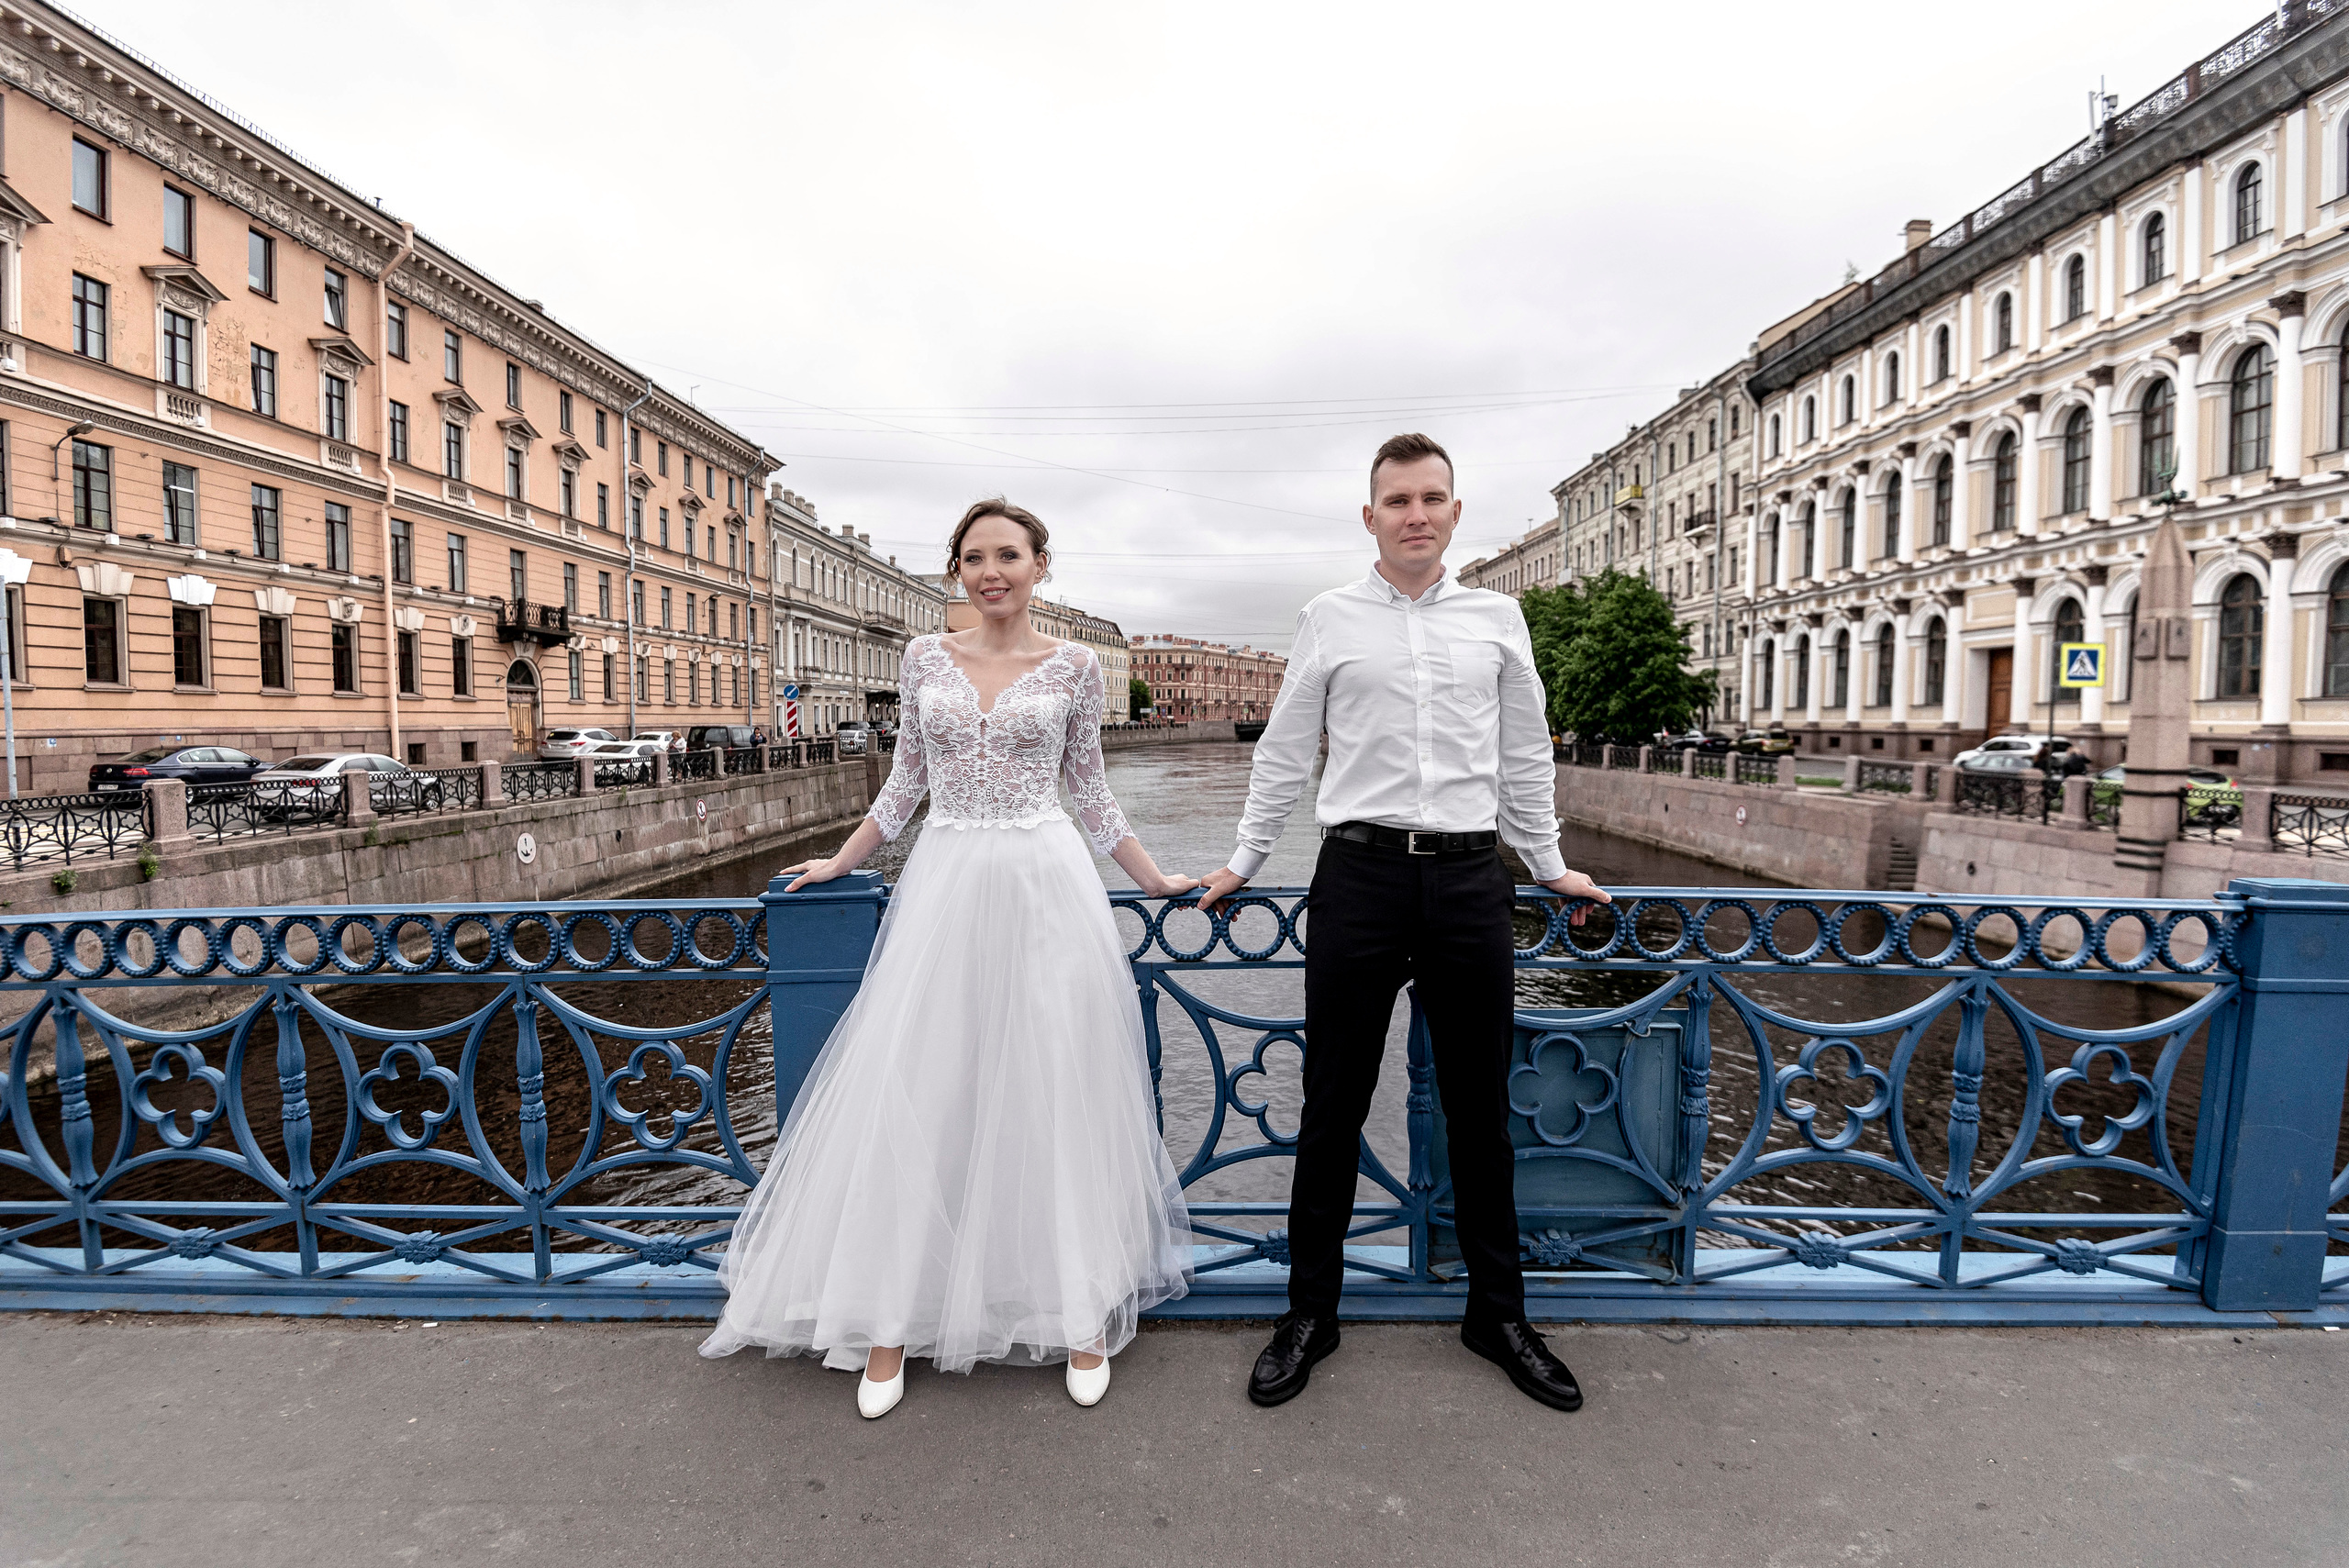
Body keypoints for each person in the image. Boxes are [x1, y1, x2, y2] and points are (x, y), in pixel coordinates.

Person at [700, 499, 1197, 1418]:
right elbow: (905, 785)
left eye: (1008, 554)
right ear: (957, 571)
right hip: (946, 879)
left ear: (1039, 563)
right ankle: (892, 1313)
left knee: (1053, 1081)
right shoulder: (925, 656)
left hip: (1046, 884)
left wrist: (1154, 875)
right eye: (973, 557)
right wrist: (842, 861)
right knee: (926, 1081)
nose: (990, 570)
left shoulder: (1078, 666)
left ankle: (1077, 1305)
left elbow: (1088, 793)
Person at [1197, 432, 1612, 1414]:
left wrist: (1548, 864)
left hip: (1470, 880)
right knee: (1332, 1102)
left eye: (1432, 497)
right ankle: (1311, 1311)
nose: (1415, 513)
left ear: (1455, 513)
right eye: (1397, 499)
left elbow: (1523, 754)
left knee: (1480, 1109)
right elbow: (1286, 749)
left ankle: (1496, 1312)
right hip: (1361, 876)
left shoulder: (1498, 617)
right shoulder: (1328, 617)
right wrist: (1244, 859)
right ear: (1370, 515)